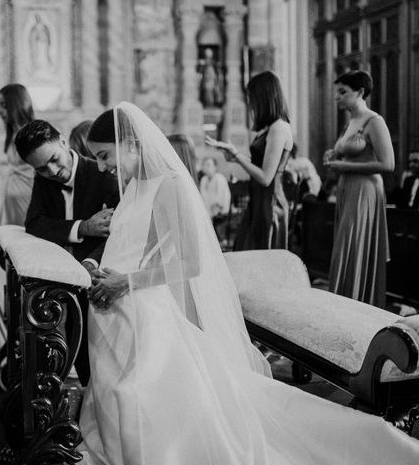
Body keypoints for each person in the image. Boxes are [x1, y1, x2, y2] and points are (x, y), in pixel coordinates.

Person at [79, 101, 419, 465]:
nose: (102, 167)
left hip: (145, 304)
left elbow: (190, 264)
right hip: (120, 303)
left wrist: (126, 282)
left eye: (103, 155)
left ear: (129, 142)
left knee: (146, 394)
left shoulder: (169, 185)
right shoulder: (133, 186)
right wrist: (97, 268)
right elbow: (133, 247)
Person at [15, 119, 119, 385]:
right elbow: (35, 223)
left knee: (106, 353)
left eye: (54, 159)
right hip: (62, 275)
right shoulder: (44, 179)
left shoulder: (103, 173)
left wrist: (90, 262)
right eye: (42, 168)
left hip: (102, 271)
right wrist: (82, 227)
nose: (52, 171)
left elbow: (116, 231)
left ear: (62, 141)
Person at [324, 70, 394, 309]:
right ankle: (343, 302)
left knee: (352, 245)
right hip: (348, 188)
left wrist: (344, 165)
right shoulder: (350, 122)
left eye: (343, 92)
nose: (337, 97)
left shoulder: (374, 121)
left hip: (365, 190)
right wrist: (334, 156)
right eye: (337, 91)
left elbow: (388, 163)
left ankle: (354, 306)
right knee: (345, 246)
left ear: (361, 92)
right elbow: (351, 153)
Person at [205, 70, 293, 250]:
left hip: (270, 204)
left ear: (263, 97)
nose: (250, 104)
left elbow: (266, 177)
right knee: (244, 254)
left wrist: (237, 155)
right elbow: (260, 164)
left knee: (260, 261)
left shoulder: (279, 128)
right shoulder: (270, 128)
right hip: (258, 201)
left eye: (252, 98)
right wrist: (234, 156)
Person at [0, 83, 35, 369]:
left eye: (4, 105)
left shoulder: (30, 132)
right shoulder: (15, 133)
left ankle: (8, 348)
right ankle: (4, 345)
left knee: (3, 273)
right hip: (11, 209)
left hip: (25, 208)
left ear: (17, 103)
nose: (0, 111)